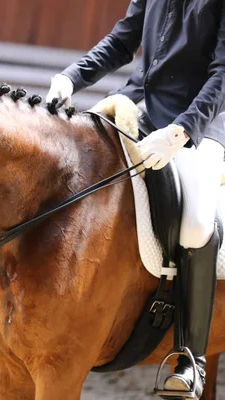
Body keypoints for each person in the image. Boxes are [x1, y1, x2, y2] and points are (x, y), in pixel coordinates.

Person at [46, 0, 225, 398]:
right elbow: (122, 41)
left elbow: (222, 73)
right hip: (138, 107)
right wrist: (71, 78)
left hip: (203, 122)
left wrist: (182, 131)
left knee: (196, 223)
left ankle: (190, 358)